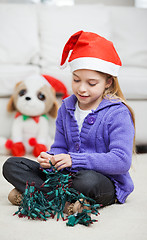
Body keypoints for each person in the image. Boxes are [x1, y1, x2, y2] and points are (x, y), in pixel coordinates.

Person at [2, 31, 135, 215]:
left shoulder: (117, 113)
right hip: (66, 177)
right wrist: (50, 158)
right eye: (76, 80)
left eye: (91, 83)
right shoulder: (66, 107)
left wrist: (74, 160)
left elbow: (121, 161)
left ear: (108, 82)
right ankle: (65, 202)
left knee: (87, 181)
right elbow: (60, 146)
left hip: (103, 181)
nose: (81, 88)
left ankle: (37, 195)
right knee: (12, 165)